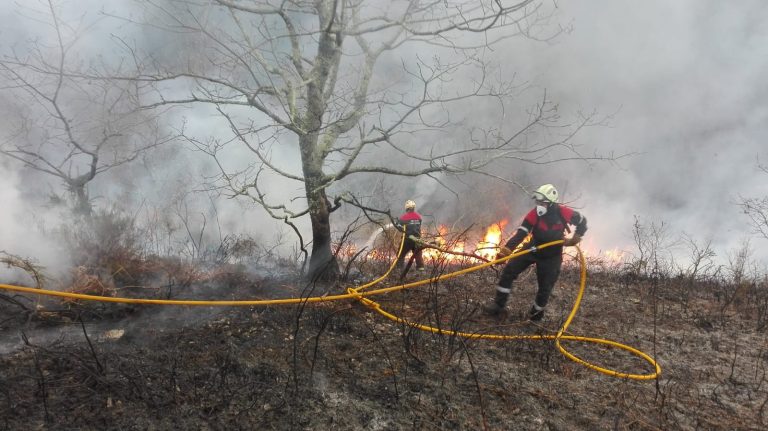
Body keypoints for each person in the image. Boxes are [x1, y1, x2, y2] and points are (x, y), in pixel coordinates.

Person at [483, 184, 587, 321]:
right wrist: (506, 251)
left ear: (550, 203)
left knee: (545, 287)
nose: (539, 205)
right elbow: (521, 233)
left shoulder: (563, 212)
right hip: (533, 248)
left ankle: (536, 316)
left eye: (542, 202)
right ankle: (498, 305)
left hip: (552, 255)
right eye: (537, 202)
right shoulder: (534, 214)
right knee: (509, 270)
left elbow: (582, 221)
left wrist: (576, 237)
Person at [395, 199, 425, 271]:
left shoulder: (404, 217)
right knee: (418, 256)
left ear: (406, 208)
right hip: (417, 240)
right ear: (414, 208)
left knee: (400, 255)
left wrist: (398, 223)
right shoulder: (419, 217)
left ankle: (399, 270)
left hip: (407, 240)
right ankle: (421, 271)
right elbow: (418, 226)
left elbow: (399, 227)